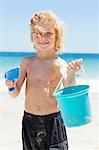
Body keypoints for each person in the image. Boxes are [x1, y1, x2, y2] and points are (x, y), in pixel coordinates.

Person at [5, 10, 82, 150]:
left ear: (57, 36)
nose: (42, 38)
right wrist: (11, 86)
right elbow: (14, 93)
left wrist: (71, 73)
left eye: (48, 33)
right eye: (38, 33)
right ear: (32, 37)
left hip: (53, 122)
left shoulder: (60, 64)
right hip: (29, 122)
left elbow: (69, 89)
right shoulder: (27, 63)